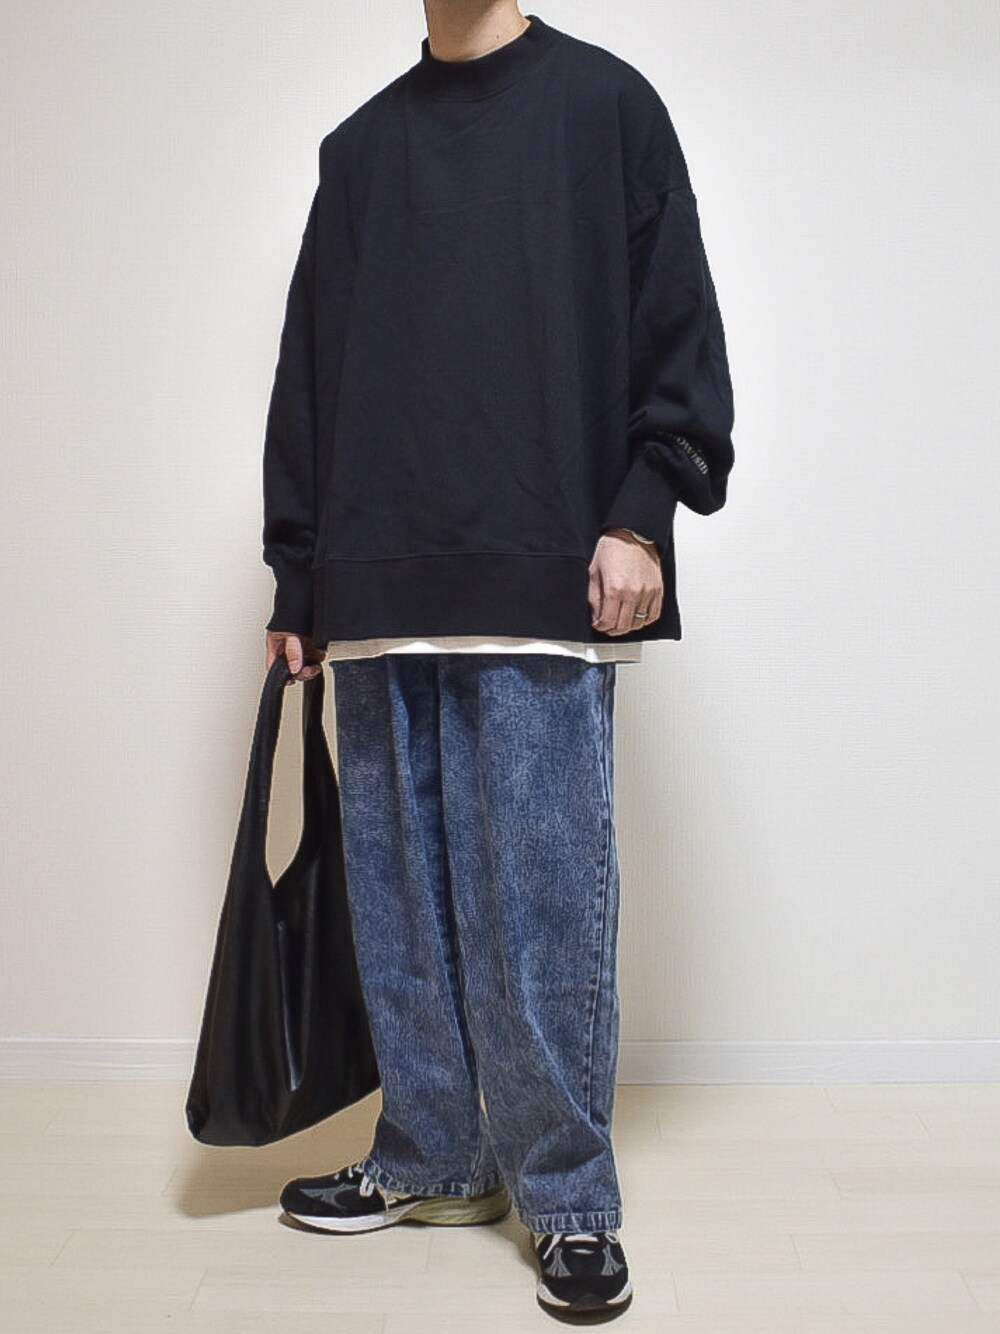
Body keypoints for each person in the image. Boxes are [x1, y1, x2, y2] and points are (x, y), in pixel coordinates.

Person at [261, 3, 735, 1323]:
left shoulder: (605, 107)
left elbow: (677, 319)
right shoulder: (359, 151)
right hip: (375, 580)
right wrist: (299, 574)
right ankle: (433, 1155)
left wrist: (644, 509)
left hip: (539, 575)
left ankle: (570, 1198)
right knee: (399, 911)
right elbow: (309, 369)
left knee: (540, 908)